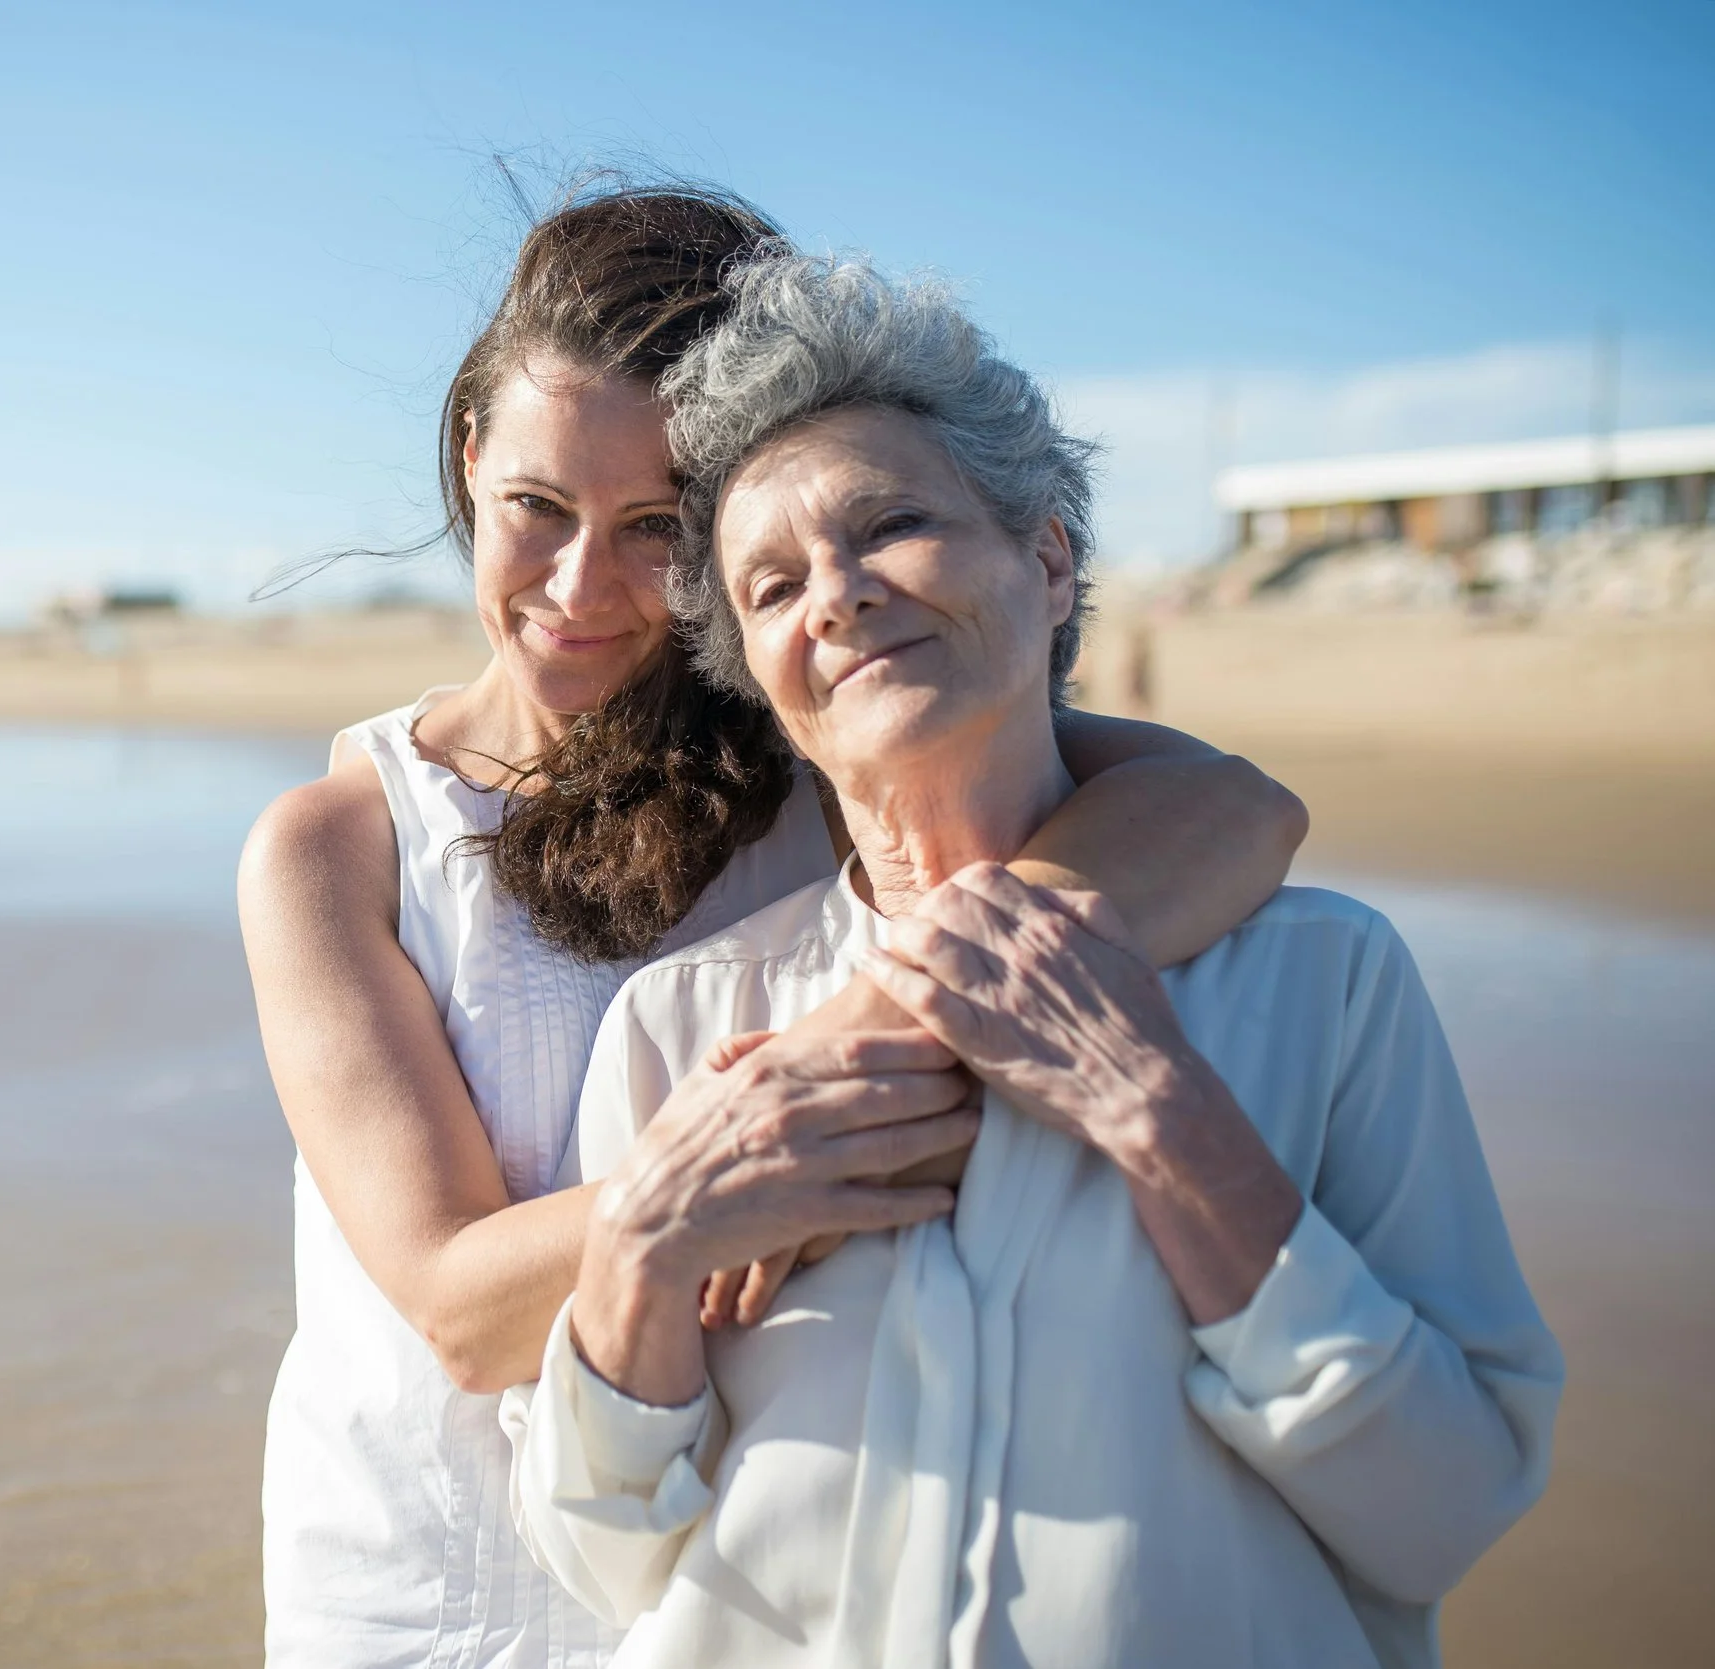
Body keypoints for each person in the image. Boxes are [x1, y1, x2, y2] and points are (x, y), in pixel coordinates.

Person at [237, 185, 1311, 1669]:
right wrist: (766, 1140)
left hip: (729, 1589)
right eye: (536, 510)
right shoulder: (339, 845)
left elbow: (1233, 812)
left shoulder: (820, 765)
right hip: (423, 1594)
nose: (578, 591)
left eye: (656, 532)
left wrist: (848, 1059)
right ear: (471, 459)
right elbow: (458, 1306)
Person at [505, 251, 1562, 1668]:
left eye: (891, 526)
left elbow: (1448, 1505)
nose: (834, 596)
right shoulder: (684, 1024)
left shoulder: (1324, 982)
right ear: (756, 671)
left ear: (1050, 563)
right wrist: (636, 1249)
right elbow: (600, 1557)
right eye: (770, 587)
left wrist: (1159, 1113)